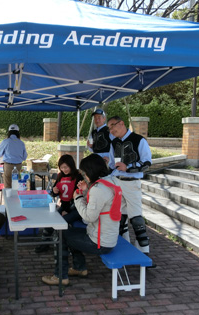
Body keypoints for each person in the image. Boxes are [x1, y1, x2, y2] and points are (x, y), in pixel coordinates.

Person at [42, 154, 121, 285]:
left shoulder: (98, 189)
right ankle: (79, 268)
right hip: (107, 237)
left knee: (60, 234)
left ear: (91, 171)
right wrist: (85, 190)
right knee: (69, 231)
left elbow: (88, 216)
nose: (84, 176)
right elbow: (101, 202)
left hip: (99, 242)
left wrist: (77, 198)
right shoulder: (112, 181)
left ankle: (60, 276)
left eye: (84, 173)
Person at [107, 115, 152, 255]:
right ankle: (123, 247)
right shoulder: (113, 143)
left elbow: (147, 163)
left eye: (112, 126)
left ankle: (144, 253)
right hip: (117, 182)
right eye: (109, 128)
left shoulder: (139, 140)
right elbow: (111, 165)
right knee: (119, 217)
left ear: (121, 123)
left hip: (132, 183)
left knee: (136, 219)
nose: (111, 130)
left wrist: (129, 167)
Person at [34, 154, 84, 253]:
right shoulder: (60, 176)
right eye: (62, 167)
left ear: (71, 165)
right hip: (65, 206)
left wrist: (67, 210)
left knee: (61, 222)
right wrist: (54, 191)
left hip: (77, 208)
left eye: (66, 167)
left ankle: (66, 247)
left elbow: (79, 197)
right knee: (50, 220)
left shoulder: (78, 176)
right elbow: (54, 192)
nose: (64, 170)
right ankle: (45, 243)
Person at [0, 124, 28, 188]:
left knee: (8, 186)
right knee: (18, 186)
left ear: (9, 132)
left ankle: (8, 197)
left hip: (8, 166)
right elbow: (24, 157)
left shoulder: (6, 141)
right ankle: (17, 198)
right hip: (19, 166)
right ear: (18, 132)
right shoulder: (21, 143)